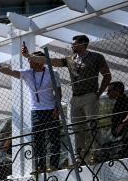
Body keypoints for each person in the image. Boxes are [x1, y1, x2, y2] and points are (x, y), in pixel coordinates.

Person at [41, 35, 111, 163]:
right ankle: (79, 156)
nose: (72, 46)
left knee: (93, 125)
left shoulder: (96, 57)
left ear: (83, 44)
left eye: (75, 44)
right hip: (75, 98)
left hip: (90, 95)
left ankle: (97, 153)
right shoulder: (70, 59)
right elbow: (54, 61)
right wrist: (30, 57)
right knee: (77, 127)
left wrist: (99, 93)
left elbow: (107, 76)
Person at [0, 47, 60, 173]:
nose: (29, 62)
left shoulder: (53, 73)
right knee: (38, 139)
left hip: (51, 109)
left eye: (31, 60)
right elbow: (11, 71)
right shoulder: (28, 73)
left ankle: (54, 165)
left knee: (53, 138)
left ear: (40, 61)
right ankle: (41, 166)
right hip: (36, 111)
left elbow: (58, 92)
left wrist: (57, 107)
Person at [106, 81, 128, 159]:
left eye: (109, 91)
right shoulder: (120, 101)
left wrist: (121, 125)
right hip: (124, 138)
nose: (108, 93)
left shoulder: (124, 101)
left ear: (117, 90)